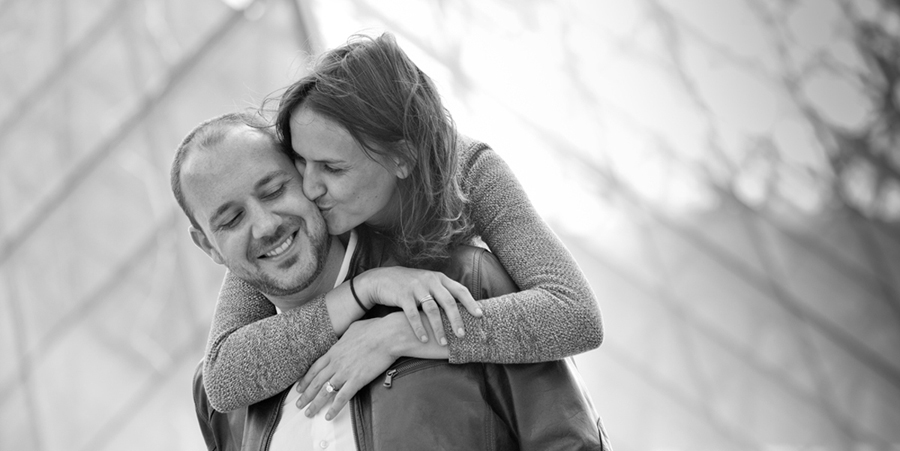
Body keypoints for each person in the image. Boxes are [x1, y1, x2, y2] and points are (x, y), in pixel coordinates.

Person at [173, 112, 609, 449]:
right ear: (209, 247)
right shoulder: (227, 391)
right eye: (230, 220)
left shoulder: (463, 281)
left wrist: (402, 331)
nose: (265, 225)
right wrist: (364, 289)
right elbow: (224, 380)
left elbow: (568, 431)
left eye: (273, 190)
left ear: (308, 177)